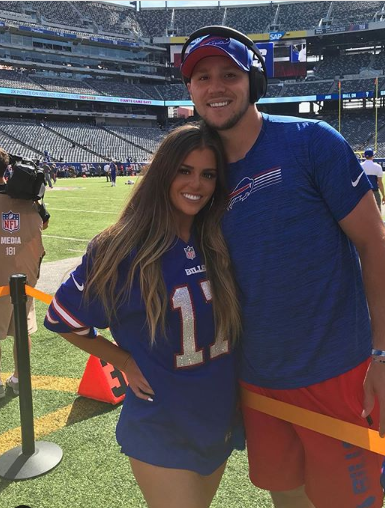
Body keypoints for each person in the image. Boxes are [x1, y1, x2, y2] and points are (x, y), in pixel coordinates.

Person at [181, 26, 385, 508]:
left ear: (254, 82)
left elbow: (375, 245)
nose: (215, 87)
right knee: (286, 496)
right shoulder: (199, 172)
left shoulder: (310, 141)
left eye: (229, 74)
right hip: (257, 379)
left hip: (337, 373)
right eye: (202, 77)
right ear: (190, 90)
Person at [43, 123, 242, 508]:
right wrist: (123, 360)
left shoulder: (216, 237)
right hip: (161, 420)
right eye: (184, 170)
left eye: (207, 174)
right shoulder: (121, 246)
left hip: (217, 413)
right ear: (162, 172)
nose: (196, 184)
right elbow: (63, 320)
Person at [0, 148, 46, 398]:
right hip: (23, 276)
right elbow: (43, 223)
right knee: (20, 330)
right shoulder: (31, 199)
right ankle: (20, 378)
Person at [361, 148, 385, 213]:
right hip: (374, 192)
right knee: (377, 213)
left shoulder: (360, 166)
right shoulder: (378, 166)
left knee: (364, 213)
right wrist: (383, 195)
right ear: (372, 156)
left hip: (363, 193)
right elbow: (380, 183)